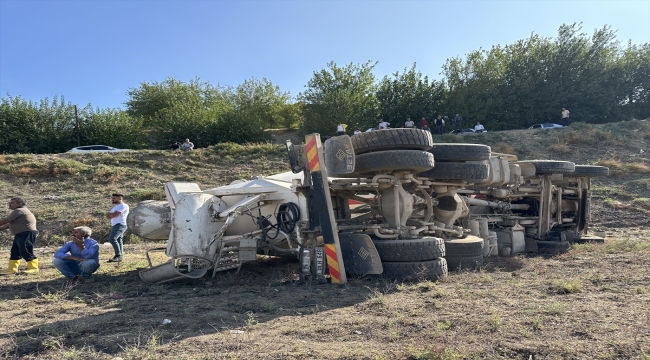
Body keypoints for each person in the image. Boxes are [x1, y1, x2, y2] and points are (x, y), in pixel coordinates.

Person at [0, 197, 39, 275]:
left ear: (20, 204)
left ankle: (34, 268)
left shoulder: (19, 210)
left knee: (25, 250)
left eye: (12, 202)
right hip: (21, 234)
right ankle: (12, 269)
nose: (9, 204)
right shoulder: (20, 212)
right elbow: (8, 224)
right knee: (15, 251)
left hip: (27, 233)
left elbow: (5, 221)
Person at [106, 193, 129, 262]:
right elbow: (108, 217)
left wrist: (111, 214)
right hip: (115, 225)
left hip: (121, 224)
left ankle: (118, 255)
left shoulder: (123, 205)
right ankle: (119, 256)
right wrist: (111, 215)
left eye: (114, 198)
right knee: (119, 240)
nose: (112, 200)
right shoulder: (115, 207)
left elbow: (114, 214)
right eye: (112, 198)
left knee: (112, 239)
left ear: (120, 198)